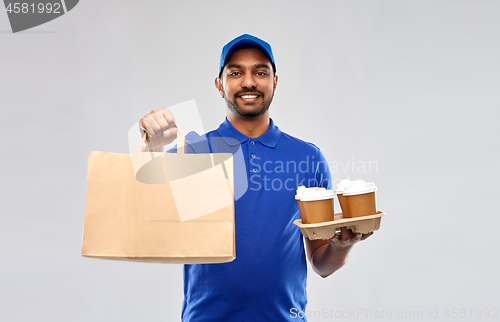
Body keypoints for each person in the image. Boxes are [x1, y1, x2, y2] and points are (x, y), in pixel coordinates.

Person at [139, 34, 373, 321]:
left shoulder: (308, 158)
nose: (248, 82)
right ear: (219, 85)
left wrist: (340, 247)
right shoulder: (193, 153)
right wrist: (151, 147)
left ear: (274, 82)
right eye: (235, 73)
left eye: (260, 72)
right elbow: (141, 214)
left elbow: (321, 263)